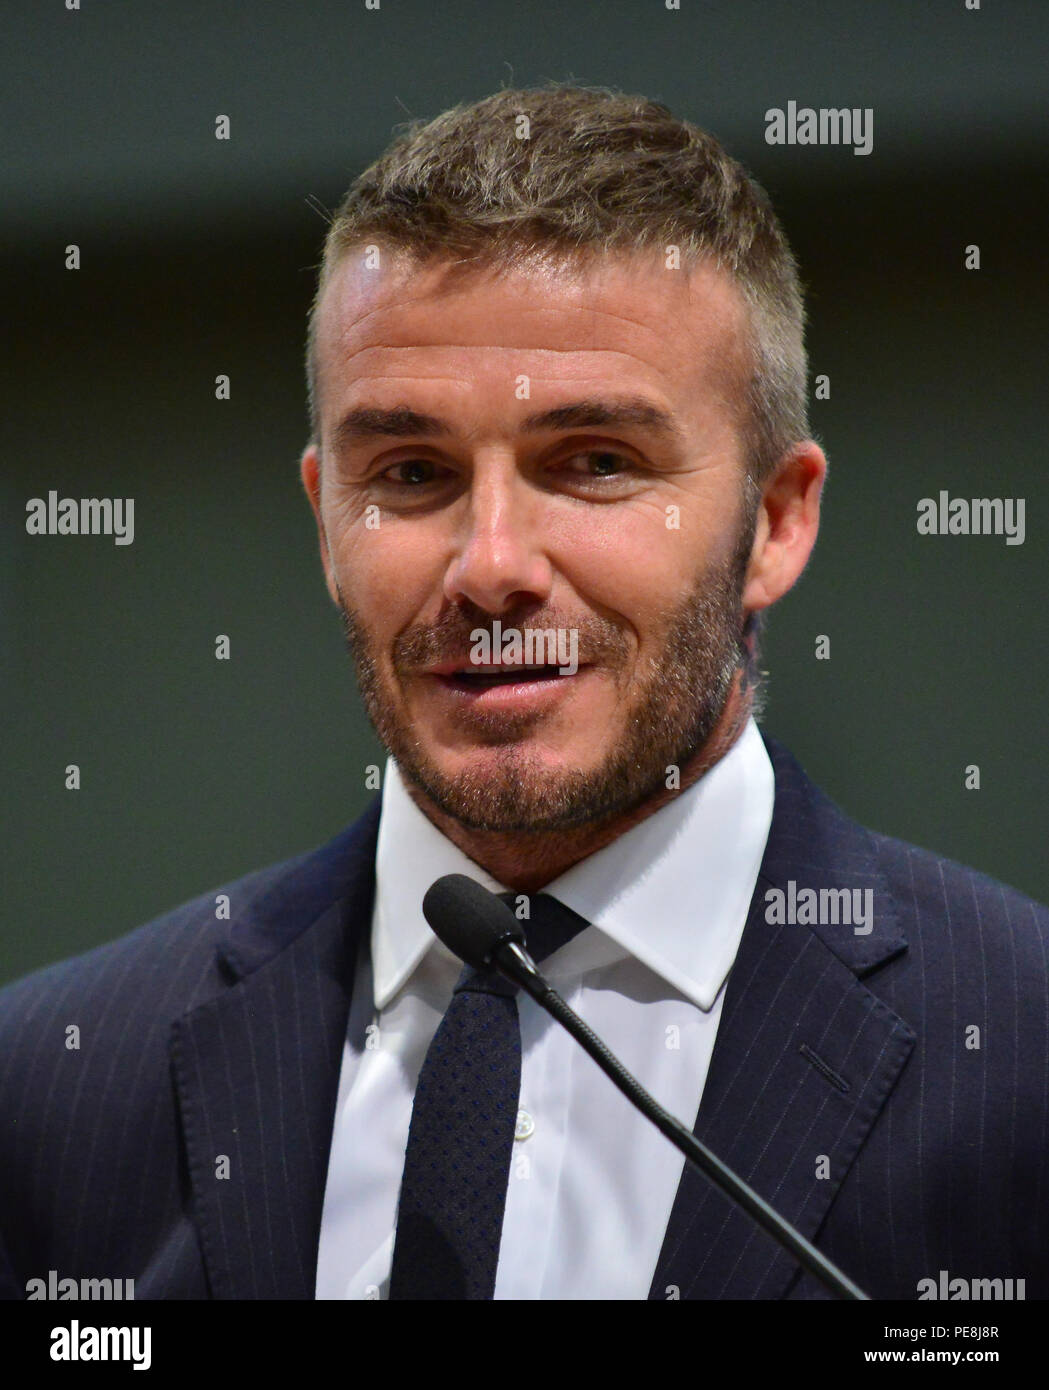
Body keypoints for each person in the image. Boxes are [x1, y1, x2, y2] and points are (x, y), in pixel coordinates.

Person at [2, 84, 1046, 1302]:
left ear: (773, 520)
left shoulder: (1017, 1053)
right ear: (326, 522)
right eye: (410, 472)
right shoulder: (54, 1085)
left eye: (593, 462)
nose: (489, 564)